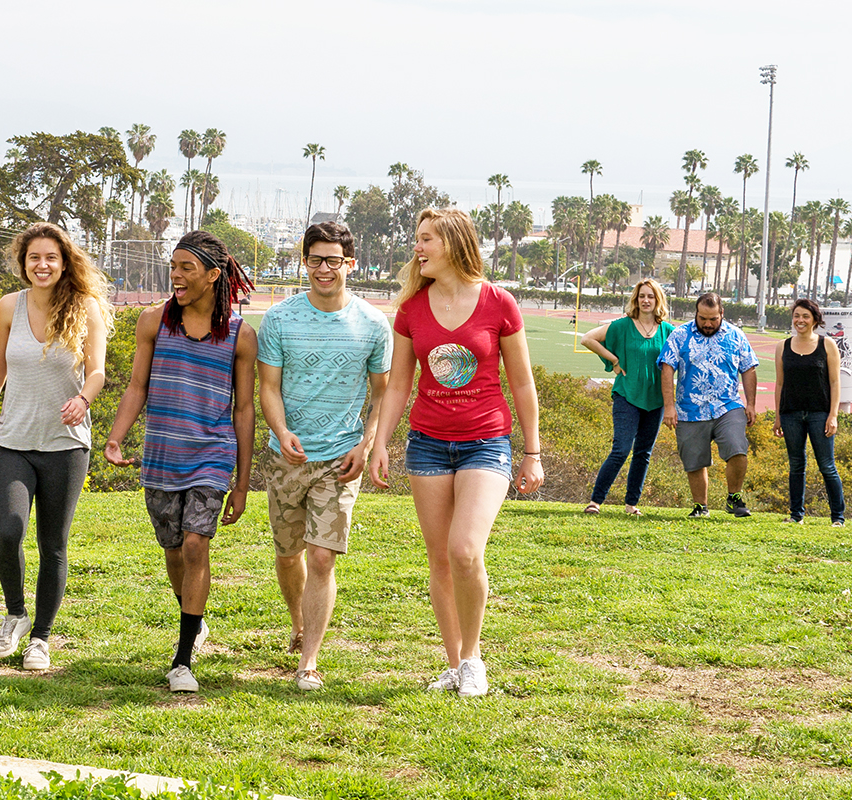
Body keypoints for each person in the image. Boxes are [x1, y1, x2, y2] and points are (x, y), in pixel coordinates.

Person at [369, 208, 544, 698]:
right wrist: (380, 442)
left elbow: (522, 382)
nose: (418, 249)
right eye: (417, 240)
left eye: (426, 240)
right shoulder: (411, 309)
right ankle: (455, 664)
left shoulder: (499, 303)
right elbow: (400, 382)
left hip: (486, 443)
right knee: (441, 560)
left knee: (465, 550)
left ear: (453, 243)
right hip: (427, 442)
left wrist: (532, 451)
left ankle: (474, 658)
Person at [104, 230, 258, 694]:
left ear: (214, 275)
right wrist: (114, 438)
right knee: (174, 552)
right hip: (162, 456)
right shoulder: (153, 322)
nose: (175, 275)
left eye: (186, 268)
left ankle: (182, 660)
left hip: (212, 455)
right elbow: (137, 387)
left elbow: (244, 409)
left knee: (195, 547)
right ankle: (194, 616)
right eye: (173, 266)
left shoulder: (240, 335)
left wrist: (243, 481)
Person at [0, 223, 112, 670]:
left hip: (66, 446)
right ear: (23, 262)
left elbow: (98, 371)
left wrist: (83, 398)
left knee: (53, 544)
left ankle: (41, 639)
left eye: (51, 257)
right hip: (13, 441)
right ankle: (14, 613)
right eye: (34, 258)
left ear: (64, 262)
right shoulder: (9, 306)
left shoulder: (85, 308)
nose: (43, 265)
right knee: (9, 530)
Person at [258, 221, 391, 692]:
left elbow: (382, 395)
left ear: (350, 264)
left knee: (321, 557)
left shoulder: (374, 324)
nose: (324, 268)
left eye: (333, 260)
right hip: (286, 458)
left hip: (341, 458)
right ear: (304, 262)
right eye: (315, 259)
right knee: (288, 552)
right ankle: (297, 624)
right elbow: (268, 388)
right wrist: (281, 430)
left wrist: (367, 442)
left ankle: (308, 661)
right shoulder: (278, 319)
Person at [578, 279, 675, 516]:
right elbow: (588, 338)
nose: (646, 300)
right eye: (642, 296)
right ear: (636, 299)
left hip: (655, 400)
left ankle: (631, 505)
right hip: (627, 395)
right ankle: (595, 501)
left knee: (643, 452)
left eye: (651, 296)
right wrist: (613, 360)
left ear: (658, 300)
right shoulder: (622, 326)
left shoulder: (668, 331)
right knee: (621, 449)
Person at [658, 293, 759, 519]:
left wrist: (751, 404)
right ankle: (700, 506)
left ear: (721, 313)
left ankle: (734, 497)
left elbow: (749, 368)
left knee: (737, 448)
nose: (707, 324)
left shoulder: (736, 335)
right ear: (696, 312)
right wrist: (669, 407)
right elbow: (666, 368)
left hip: (727, 406)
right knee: (694, 460)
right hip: (689, 408)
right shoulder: (680, 335)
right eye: (703, 318)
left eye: (712, 319)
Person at [773, 298, 845, 526]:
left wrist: (833, 415)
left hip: (819, 414)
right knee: (796, 465)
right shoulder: (782, 346)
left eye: (805, 316)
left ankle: (838, 517)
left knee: (827, 466)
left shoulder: (827, 345)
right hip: (791, 413)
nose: (800, 320)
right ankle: (796, 515)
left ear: (815, 319)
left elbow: (835, 382)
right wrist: (778, 417)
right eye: (796, 316)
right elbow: (779, 384)